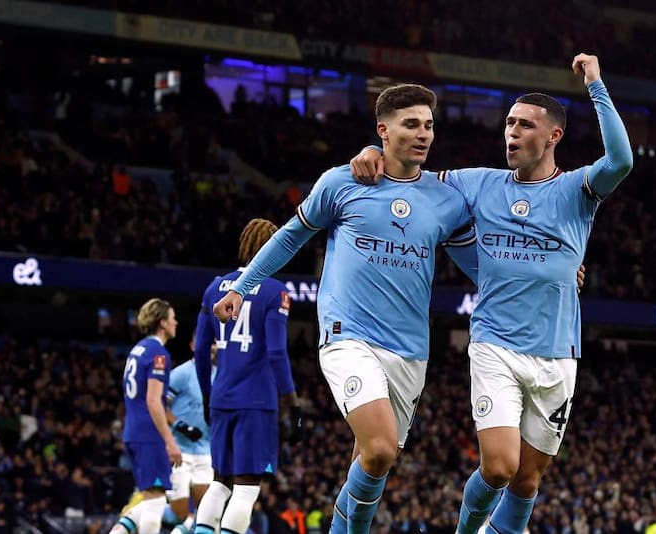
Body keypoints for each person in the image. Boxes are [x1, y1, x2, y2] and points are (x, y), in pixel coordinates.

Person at [350, 53, 633, 534]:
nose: (511, 132)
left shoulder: (577, 190)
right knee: (500, 467)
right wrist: (371, 151)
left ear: (553, 136)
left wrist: (596, 86)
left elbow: (621, 161)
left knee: (526, 480)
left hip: (558, 354)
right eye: (508, 124)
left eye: (525, 125)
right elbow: (412, 178)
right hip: (495, 345)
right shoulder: (478, 184)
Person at [212, 84, 480, 534]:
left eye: (429, 126)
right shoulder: (343, 182)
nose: (423, 134)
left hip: (411, 350)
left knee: (372, 460)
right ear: (383, 130)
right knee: (380, 448)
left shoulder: (446, 200)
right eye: (411, 124)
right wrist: (243, 286)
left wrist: (548, 278)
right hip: (348, 335)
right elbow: (290, 236)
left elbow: (481, 269)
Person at [192, 218, 305, 534]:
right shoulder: (275, 291)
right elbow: (277, 353)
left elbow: (200, 350)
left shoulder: (214, 287)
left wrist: (207, 395)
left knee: (220, 482)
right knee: (245, 487)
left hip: (221, 397)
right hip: (256, 401)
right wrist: (293, 404)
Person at [110, 298, 182, 534]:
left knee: (149, 497)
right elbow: (153, 400)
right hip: (149, 434)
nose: (176, 322)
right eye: (172, 318)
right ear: (162, 323)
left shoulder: (137, 350)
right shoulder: (158, 354)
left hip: (133, 431)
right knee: (155, 501)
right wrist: (170, 441)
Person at [162, 334, 217, 534]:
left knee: (205, 513)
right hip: (180, 451)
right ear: (193, 345)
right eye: (205, 342)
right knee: (179, 513)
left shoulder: (220, 375)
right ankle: (144, 510)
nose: (210, 347)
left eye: (213, 342)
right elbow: (160, 404)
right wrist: (182, 426)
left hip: (206, 452)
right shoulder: (181, 373)